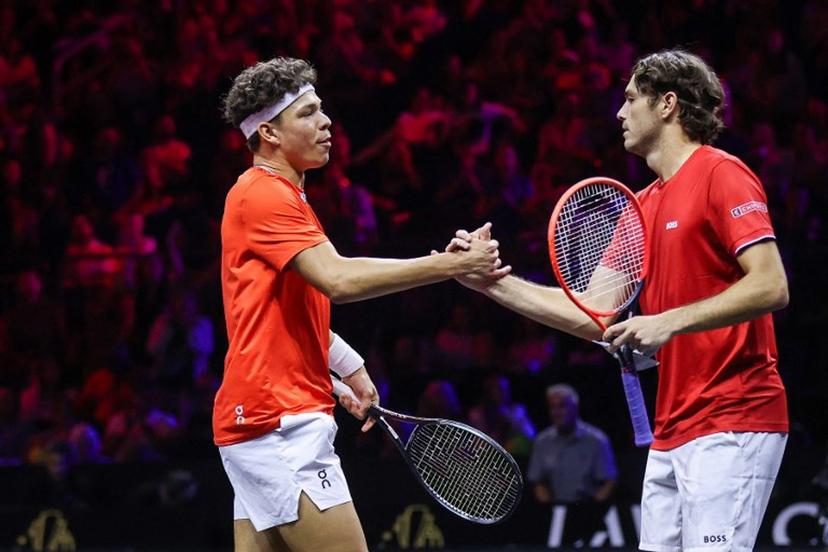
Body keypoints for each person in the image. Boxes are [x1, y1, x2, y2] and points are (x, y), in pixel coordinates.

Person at [447, 49, 789, 551]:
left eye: (631, 99)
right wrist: (490, 283)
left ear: (667, 104)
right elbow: (592, 313)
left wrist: (666, 322)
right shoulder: (640, 206)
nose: (619, 112)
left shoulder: (721, 173)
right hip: (672, 427)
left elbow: (771, 285)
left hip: (733, 417)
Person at [215, 57, 507, 552]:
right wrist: (449, 265)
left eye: (321, 109)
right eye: (307, 113)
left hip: (260, 419)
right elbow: (339, 280)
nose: (326, 122)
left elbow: (285, 314)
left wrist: (349, 368)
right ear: (269, 133)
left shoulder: (276, 195)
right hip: (279, 421)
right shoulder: (264, 195)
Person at [527, 384, 616, 544]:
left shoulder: (597, 440)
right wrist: (551, 512)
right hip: (554, 518)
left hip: (590, 518)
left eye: (562, 406)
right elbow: (538, 483)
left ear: (575, 407)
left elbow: (608, 482)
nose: (556, 412)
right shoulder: (542, 441)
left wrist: (592, 512)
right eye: (552, 407)